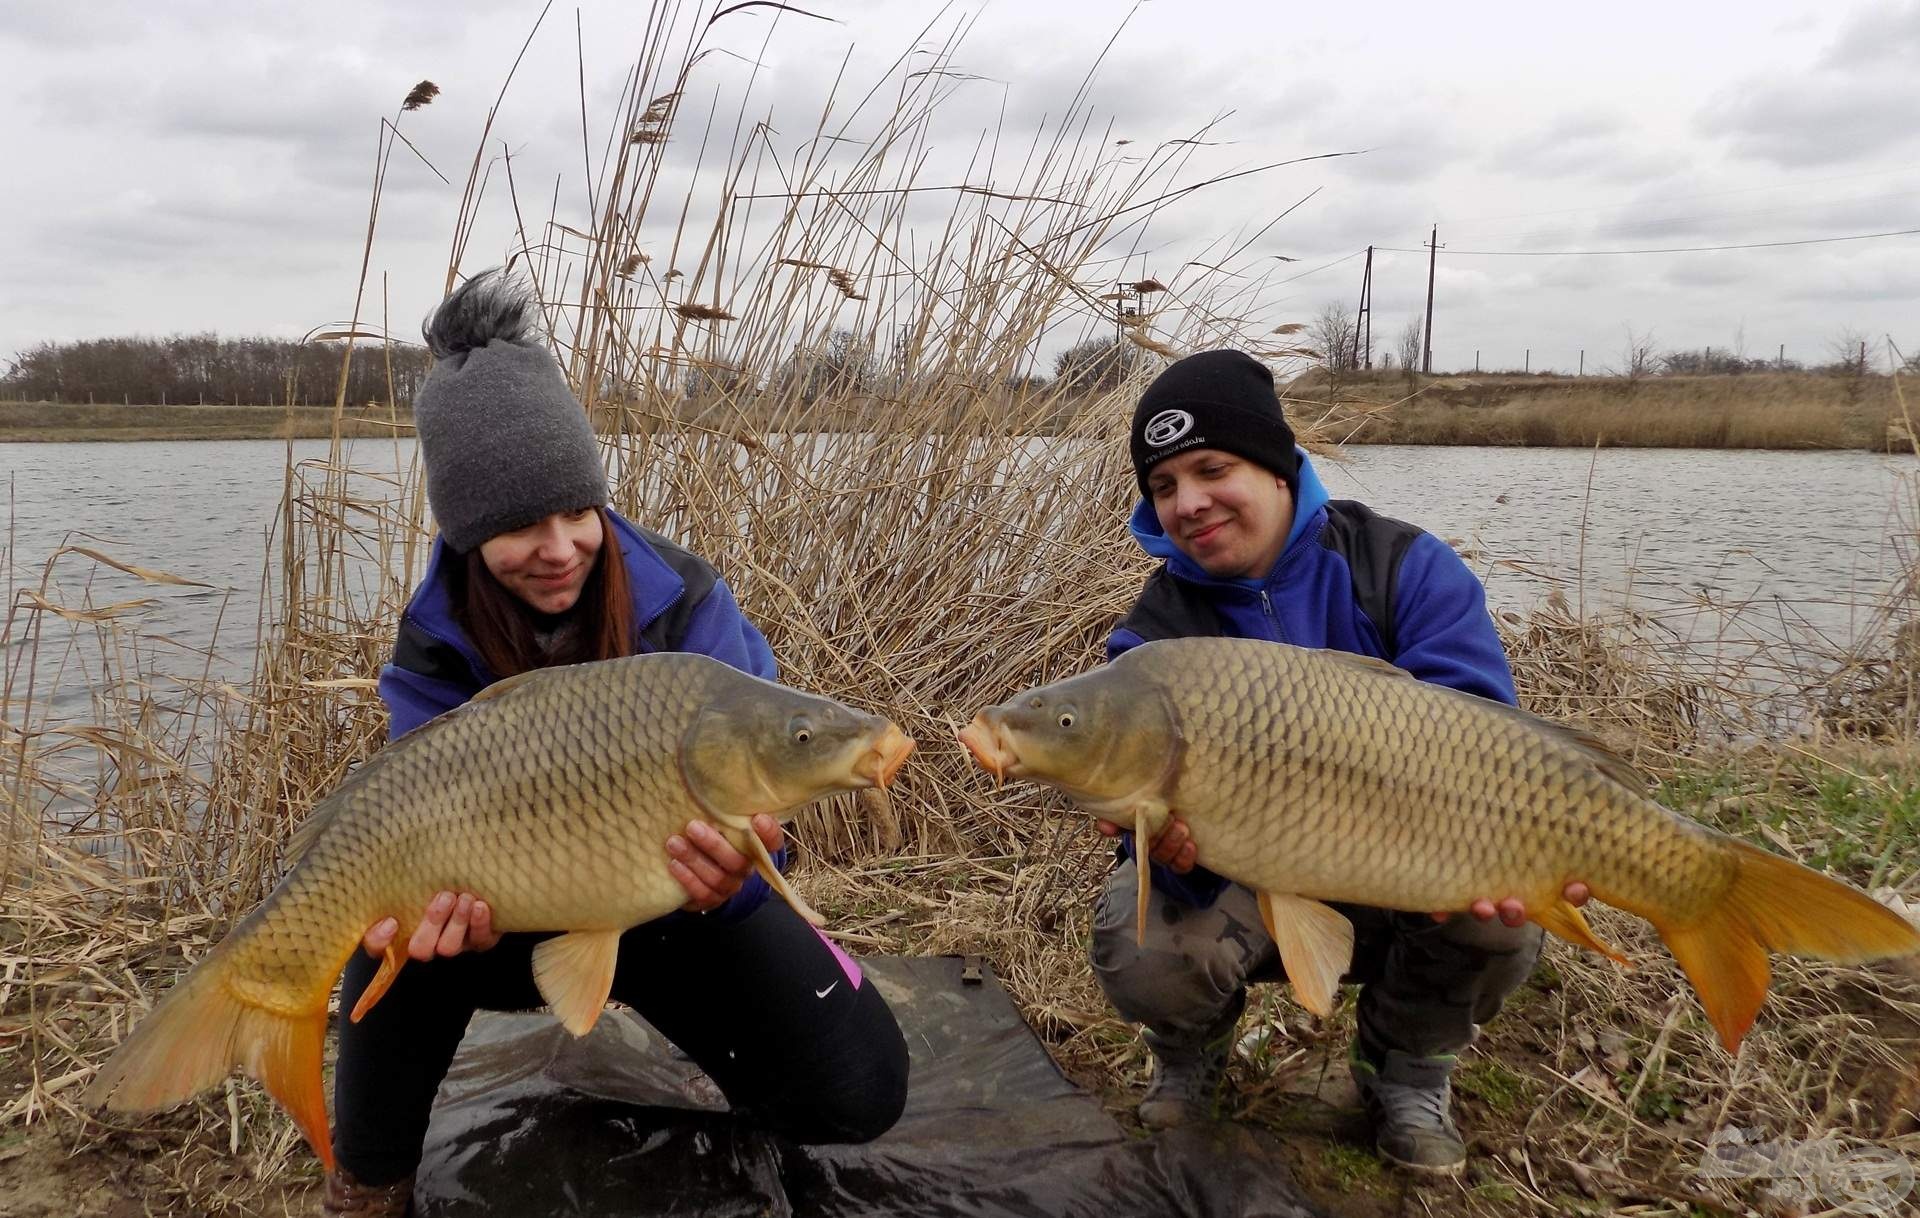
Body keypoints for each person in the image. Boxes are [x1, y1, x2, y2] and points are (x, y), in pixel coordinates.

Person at [323, 269, 909, 1216]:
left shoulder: (685, 599)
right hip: (500, 919)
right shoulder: (435, 637)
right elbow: (405, 813)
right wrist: (428, 917)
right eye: (518, 524)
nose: (558, 545)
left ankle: (724, 1061)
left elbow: (772, 800)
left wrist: (747, 865)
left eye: (574, 509)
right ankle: (367, 1177)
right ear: (468, 535)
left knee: (862, 1088)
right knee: (383, 945)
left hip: (678, 908)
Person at [1089, 349, 1588, 1175]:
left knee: (1500, 911)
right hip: (1258, 876)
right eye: (1164, 486)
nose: (1188, 503)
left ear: (1280, 468)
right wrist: (1171, 856)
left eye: (1213, 469)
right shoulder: (1154, 637)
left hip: (1415, 854)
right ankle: (1189, 1053)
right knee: (1142, 935)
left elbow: (1486, 740)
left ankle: (1405, 1068)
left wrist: (1480, 861)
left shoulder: (1401, 566)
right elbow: (1154, 850)